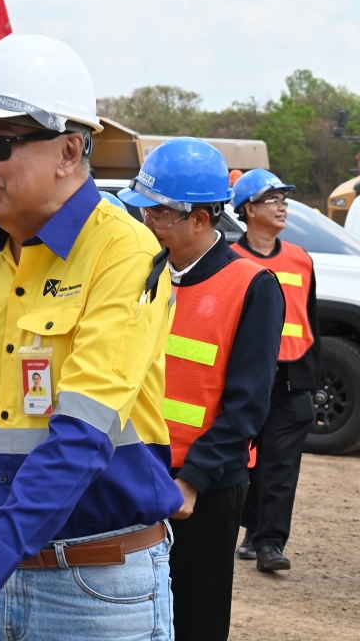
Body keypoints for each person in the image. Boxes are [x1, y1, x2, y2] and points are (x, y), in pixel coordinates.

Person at [0, 34, 182, 641]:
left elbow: (82, 437)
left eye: (0, 143)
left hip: (92, 589)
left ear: (71, 150)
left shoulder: (124, 253)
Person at [119, 138, 282, 641]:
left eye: (161, 214)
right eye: (145, 211)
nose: (149, 223)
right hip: (133, 471)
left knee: (194, 619)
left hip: (202, 488)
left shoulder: (252, 285)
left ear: (202, 219)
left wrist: (193, 479)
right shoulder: (141, 275)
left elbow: (248, 405)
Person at [230, 168, 322, 573]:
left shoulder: (301, 259)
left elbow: (311, 323)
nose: (282, 206)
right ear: (248, 210)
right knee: (245, 462)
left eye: (284, 199)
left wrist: (311, 381)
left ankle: (270, 543)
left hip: (290, 380)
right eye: (273, 199)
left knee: (281, 465)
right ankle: (250, 529)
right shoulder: (231, 260)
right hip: (246, 379)